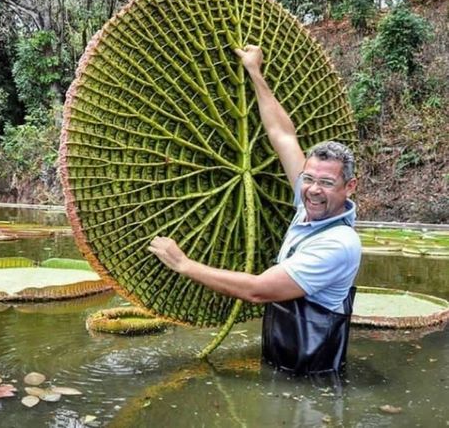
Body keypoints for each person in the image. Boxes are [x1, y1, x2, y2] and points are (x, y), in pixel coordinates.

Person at [148, 45, 361, 375]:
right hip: (282, 362)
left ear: (349, 187)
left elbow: (258, 290)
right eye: (309, 179)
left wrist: (183, 263)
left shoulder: (338, 244)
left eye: (327, 183)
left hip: (312, 377)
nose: (314, 190)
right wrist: (254, 72)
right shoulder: (308, 203)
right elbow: (282, 135)